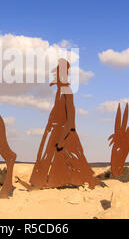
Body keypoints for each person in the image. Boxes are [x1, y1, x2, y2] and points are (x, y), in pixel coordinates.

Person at [19, 59, 98, 190]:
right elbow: (57, 110)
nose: (55, 78)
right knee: (48, 155)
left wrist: (63, 137)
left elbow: (71, 117)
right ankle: (38, 182)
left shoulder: (67, 92)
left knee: (76, 158)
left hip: (66, 131)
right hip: (57, 129)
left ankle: (91, 180)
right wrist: (50, 123)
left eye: (58, 75)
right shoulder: (60, 91)